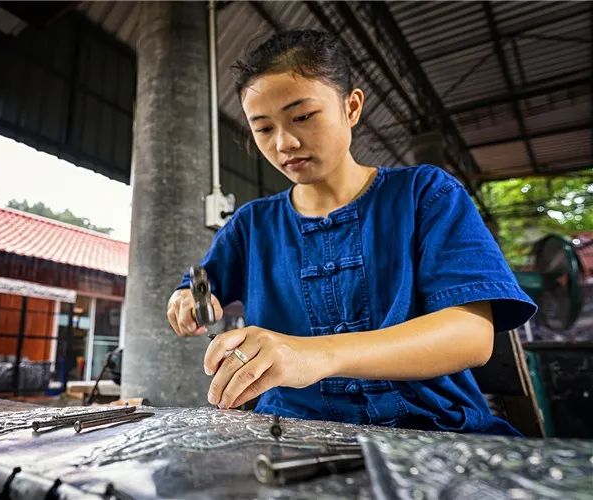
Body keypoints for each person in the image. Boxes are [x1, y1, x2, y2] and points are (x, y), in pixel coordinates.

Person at [166, 30, 536, 435]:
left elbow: (471, 334)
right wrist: (186, 298)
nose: (285, 143)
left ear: (352, 106)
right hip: (289, 434)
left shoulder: (426, 195)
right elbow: (200, 285)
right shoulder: (250, 226)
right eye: (263, 128)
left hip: (434, 431)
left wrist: (317, 354)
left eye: (303, 116)